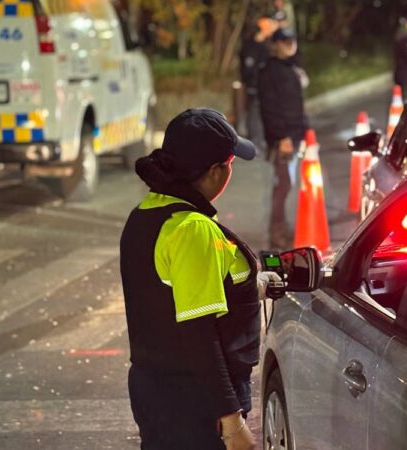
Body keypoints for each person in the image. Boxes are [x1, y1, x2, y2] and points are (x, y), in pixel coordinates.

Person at [120, 108, 282, 450]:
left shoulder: (144, 216)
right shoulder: (193, 229)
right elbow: (199, 331)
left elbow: (167, 296)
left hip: (158, 388)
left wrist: (254, 285)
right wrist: (231, 419)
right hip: (195, 400)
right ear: (214, 172)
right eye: (229, 164)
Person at [257, 27, 308, 248]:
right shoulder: (270, 71)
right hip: (283, 138)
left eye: (292, 40)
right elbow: (270, 108)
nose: (290, 45)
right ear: (275, 44)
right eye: (284, 41)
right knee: (283, 184)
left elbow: (296, 105)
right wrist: (281, 137)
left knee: (288, 182)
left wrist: (305, 130)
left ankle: (283, 228)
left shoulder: (290, 68)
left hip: (295, 134)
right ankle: (276, 232)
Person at [239, 15, 277, 151]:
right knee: (254, 112)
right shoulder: (251, 46)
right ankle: (254, 142)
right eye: (269, 25)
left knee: (265, 112)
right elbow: (248, 68)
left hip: (268, 87)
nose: (272, 28)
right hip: (255, 86)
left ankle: (262, 141)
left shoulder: (269, 45)